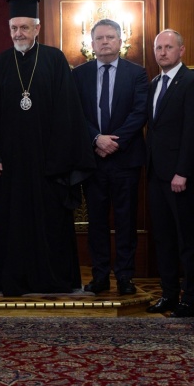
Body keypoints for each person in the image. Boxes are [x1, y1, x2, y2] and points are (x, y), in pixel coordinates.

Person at [0, 0, 94, 296]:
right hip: (11, 164)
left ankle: (52, 280)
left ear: (37, 29)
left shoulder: (55, 60)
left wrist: (59, 159)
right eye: (14, 28)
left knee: (50, 221)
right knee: (14, 222)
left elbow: (68, 111)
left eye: (24, 28)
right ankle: (12, 280)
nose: (18, 33)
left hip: (49, 163)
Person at [72, 19, 149, 295]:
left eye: (110, 37)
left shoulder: (137, 73)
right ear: (92, 44)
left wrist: (114, 142)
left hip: (125, 160)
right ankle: (100, 276)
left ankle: (125, 277)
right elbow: (75, 113)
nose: (105, 42)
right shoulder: (78, 75)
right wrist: (97, 138)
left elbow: (140, 112)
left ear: (120, 41)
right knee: (97, 222)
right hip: (93, 160)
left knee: (126, 221)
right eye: (100, 38)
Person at [143, 29, 194, 316]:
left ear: (181, 50)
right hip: (156, 175)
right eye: (159, 48)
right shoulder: (154, 83)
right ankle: (168, 294)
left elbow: (193, 131)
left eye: (168, 47)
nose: (163, 52)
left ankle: (190, 299)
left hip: (180, 176)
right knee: (163, 238)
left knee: (186, 239)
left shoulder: (193, 82)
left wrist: (182, 172)